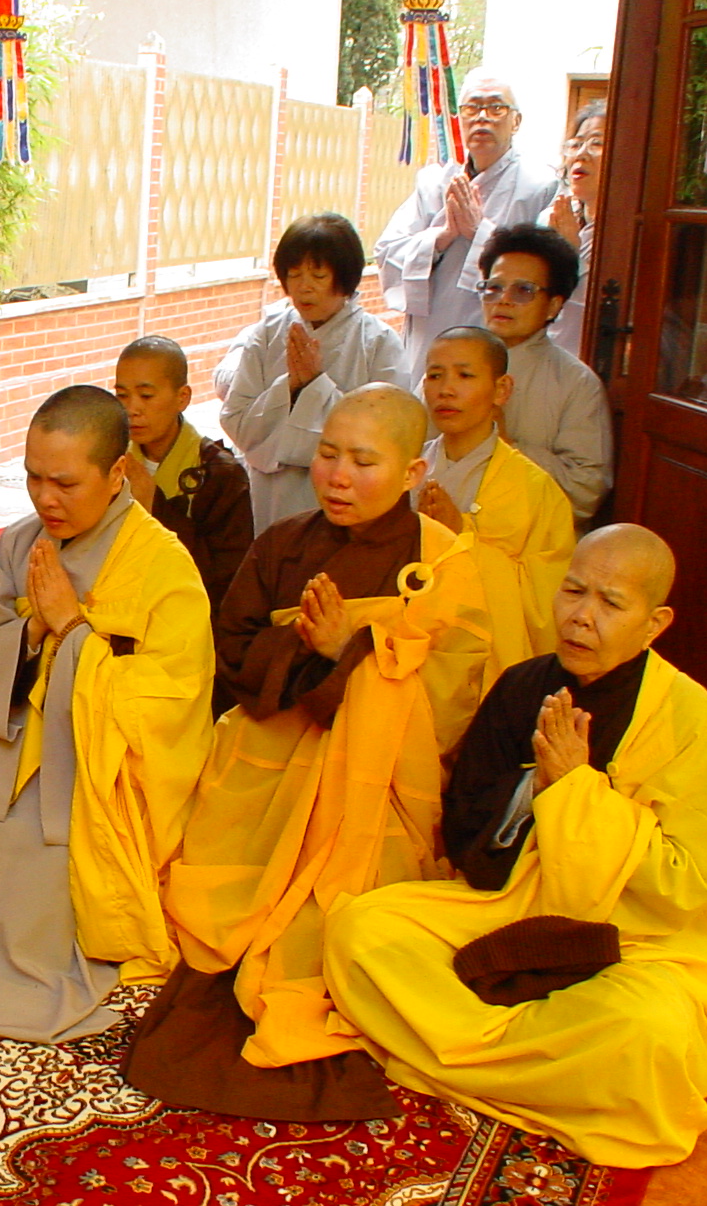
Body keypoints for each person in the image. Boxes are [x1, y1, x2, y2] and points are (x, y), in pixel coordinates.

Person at [122, 384, 492, 1119]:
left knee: (347, 926)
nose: (339, 477)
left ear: (414, 472)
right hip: (268, 754)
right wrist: (310, 654)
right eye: (328, 454)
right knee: (197, 883)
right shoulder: (283, 542)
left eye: (364, 462)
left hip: (374, 785)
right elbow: (231, 650)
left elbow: (455, 693)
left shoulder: (444, 565)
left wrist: (352, 654)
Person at [326, 525, 707, 1167]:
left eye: (611, 603)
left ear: (655, 623)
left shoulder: (690, 721)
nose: (582, 617)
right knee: (359, 930)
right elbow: (466, 825)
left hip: (629, 941)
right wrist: (532, 794)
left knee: (651, 1030)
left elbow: (685, 882)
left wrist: (578, 791)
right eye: (573, 591)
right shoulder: (522, 687)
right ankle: (543, 1062)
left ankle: (461, 1048)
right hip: (512, 908)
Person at [0, 387, 215, 1044]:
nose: (45, 499)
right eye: (33, 478)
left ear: (116, 473)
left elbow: (173, 705)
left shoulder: (163, 566)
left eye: (65, 483)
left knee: (45, 910)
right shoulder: (22, 544)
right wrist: (31, 634)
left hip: (96, 787)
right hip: (14, 764)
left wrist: (73, 629)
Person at [218, 214, 414, 531]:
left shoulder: (377, 342)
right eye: (294, 274)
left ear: (345, 278)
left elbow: (391, 435)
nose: (303, 287)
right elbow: (235, 418)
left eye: (318, 275)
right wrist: (288, 388)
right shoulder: (267, 333)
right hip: (269, 495)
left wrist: (314, 386)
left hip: (345, 501)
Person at [374, 71, 561, 373]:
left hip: (497, 338)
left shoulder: (540, 186)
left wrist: (480, 232)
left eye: (496, 108)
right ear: (459, 119)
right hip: (429, 332)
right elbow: (387, 252)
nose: (482, 118)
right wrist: (441, 237)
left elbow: (542, 271)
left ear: (516, 121)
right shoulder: (434, 181)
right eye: (472, 108)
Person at [418, 326, 575, 668]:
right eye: (435, 376)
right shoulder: (406, 468)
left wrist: (460, 536)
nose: (446, 390)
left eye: (465, 375)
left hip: (487, 664)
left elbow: (545, 603)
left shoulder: (535, 488)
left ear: (501, 389)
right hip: (408, 650)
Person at [477, 224, 614, 525]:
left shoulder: (577, 383)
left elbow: (586, 491)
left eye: (523, 290)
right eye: (493, 288)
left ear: (553, 305)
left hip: (534, 539)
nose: (503, 300)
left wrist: (507, 447)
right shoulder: (450, 362)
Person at [112, 335, 251, 615]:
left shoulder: (221, 475)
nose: (132, 409)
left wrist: (155, 505)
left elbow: (228, 580)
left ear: (182, 398)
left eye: (146, 396)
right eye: (122, 396)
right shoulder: (112, 459)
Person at [541, 100, 605, 359]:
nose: (581, 154)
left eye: (597, 143)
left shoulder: (628, 229)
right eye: (576, 144)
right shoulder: (553, 216)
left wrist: (572, 254)